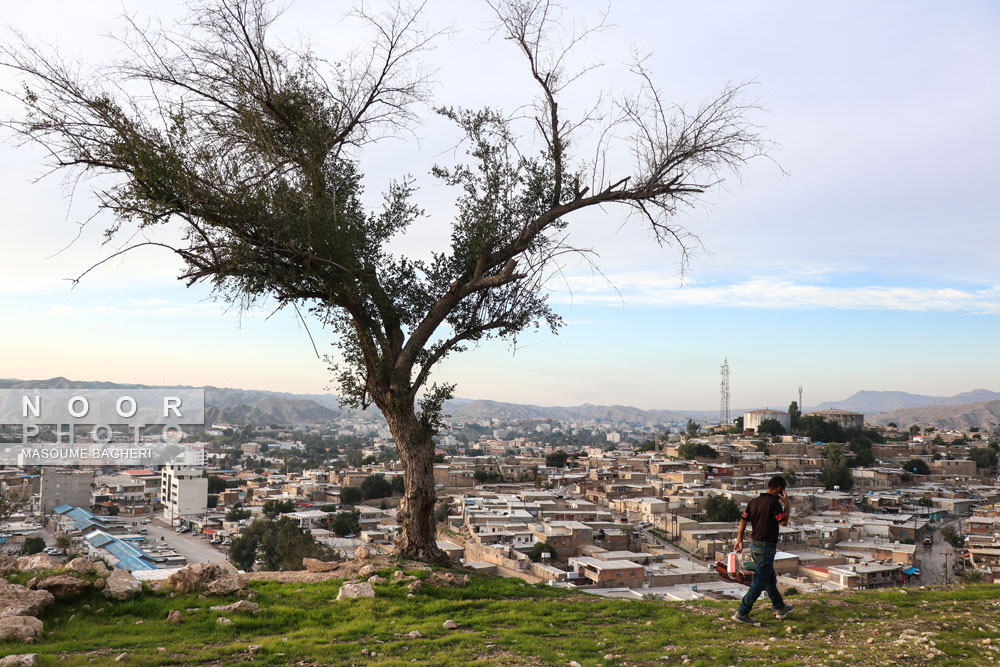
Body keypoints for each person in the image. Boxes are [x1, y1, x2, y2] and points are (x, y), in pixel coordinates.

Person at [732, 475, 795, 625]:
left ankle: (780, 607)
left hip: (754, 546)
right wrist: (787, 504)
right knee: (760, 581)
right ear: (780, 490)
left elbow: (743, 520)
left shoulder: (754, 502)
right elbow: (784, 522)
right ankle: (742, 612)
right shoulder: (774, 504)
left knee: (769, 579)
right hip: (766, 547)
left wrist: (739, 539)